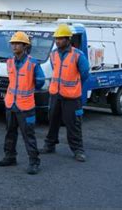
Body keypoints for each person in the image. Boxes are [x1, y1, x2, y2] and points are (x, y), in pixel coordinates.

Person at [0, 31, 45, 174]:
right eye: (13, 43)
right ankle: (10, 157)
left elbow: (40, 82)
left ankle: (34, 162)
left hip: (26, 106)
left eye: (17, 43)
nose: (14, 46)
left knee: (28, 135)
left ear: (25, 46)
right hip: (11, 104)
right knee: (10, 132)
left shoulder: (33, 63)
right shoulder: (10, 62)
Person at [41, 24, 90, 162]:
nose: (57, 41)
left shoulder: (77, 55)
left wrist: (74, 86)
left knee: (73, 124)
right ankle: (50, 145)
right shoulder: (53, 54)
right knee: (53, 121)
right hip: (55, 94)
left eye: (61, 38)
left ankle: (78, 150)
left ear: (68, 39)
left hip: (71, 97)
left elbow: (85, 74)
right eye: (56, 38)